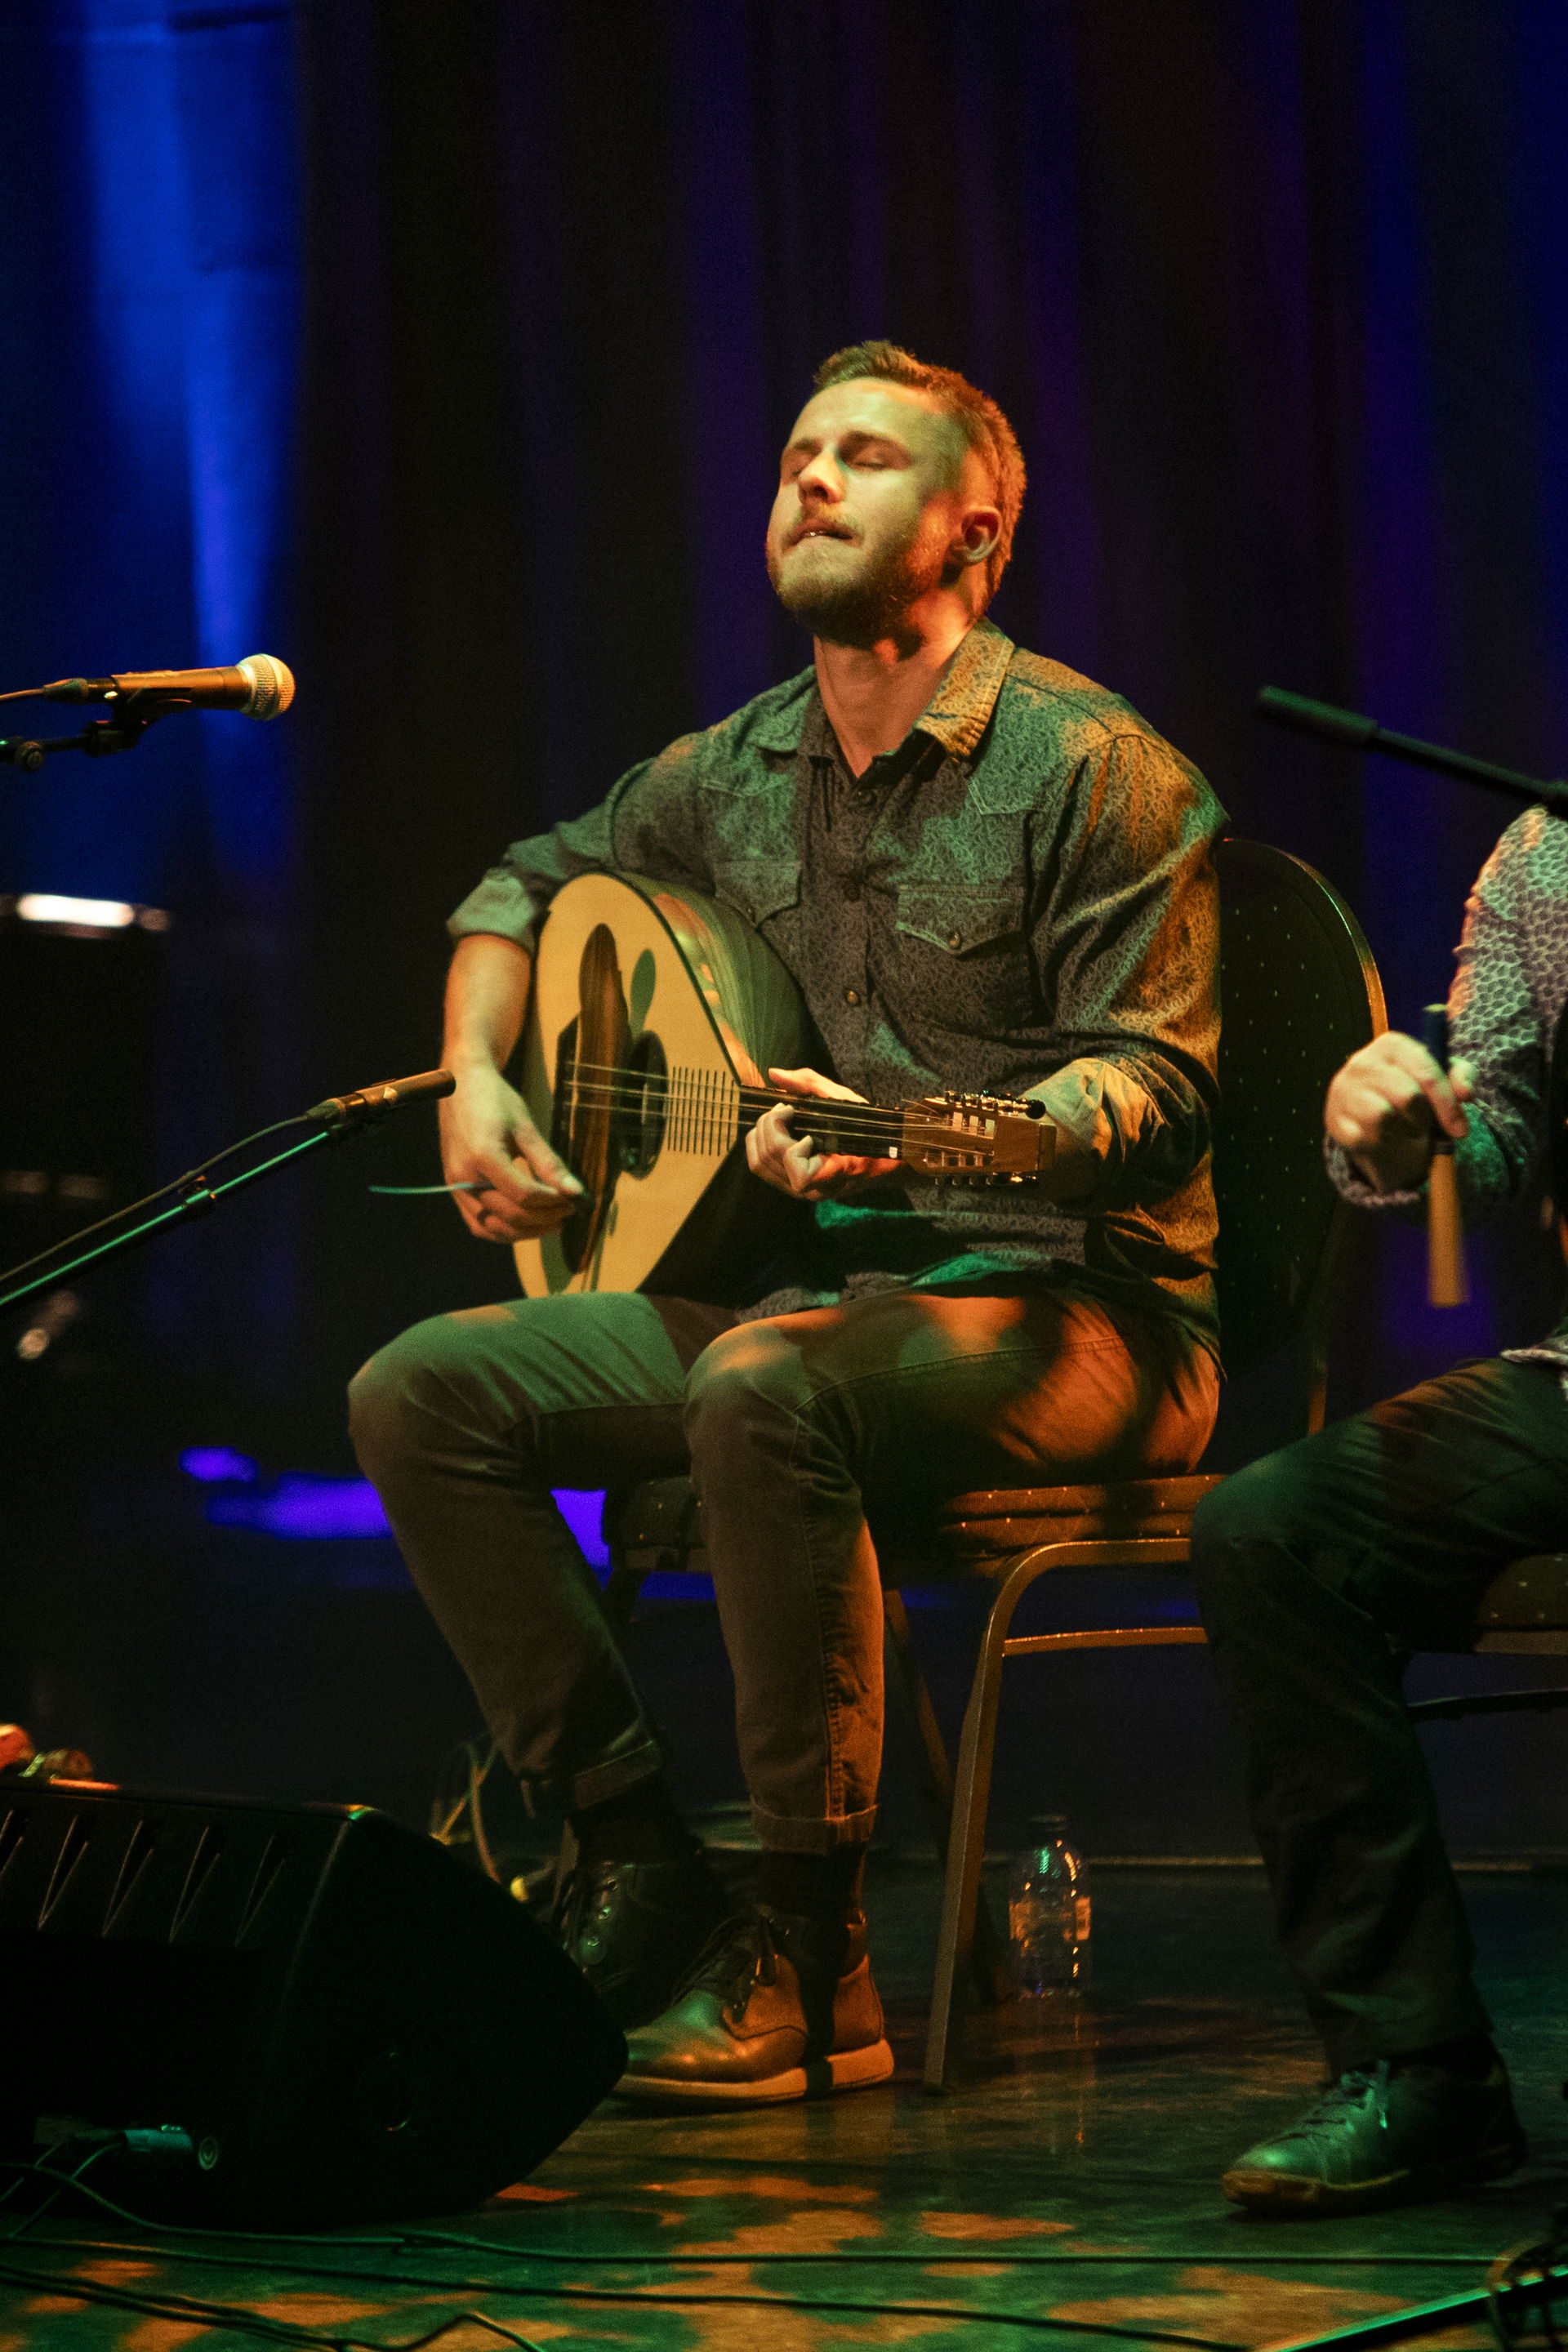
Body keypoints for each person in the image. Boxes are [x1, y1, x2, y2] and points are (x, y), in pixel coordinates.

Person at [350, 341, 1223, 2105]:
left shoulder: (1097, 767)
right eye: (799, 451)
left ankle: (814, 1955)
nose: (812, 477)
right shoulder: (733, 767)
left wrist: (914, 1142)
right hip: (816, 1309)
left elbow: (1157, 1098)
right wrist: (473, 1072)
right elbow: (521, 878)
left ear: (974, 527)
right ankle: (640, 1858)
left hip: (1087, 1320)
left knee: (764, 1387)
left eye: (868, 457)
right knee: (421, 1391)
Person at [1192, 805, 1568, 2211]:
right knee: (1275, 1530)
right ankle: (1421, 2076)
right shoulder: (1551, 854)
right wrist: (1408, 1133)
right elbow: (1497, 1127)